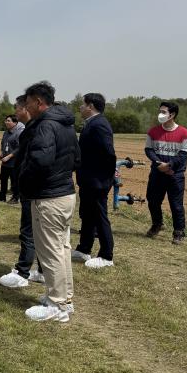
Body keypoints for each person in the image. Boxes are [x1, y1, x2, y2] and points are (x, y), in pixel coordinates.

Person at [19, 81, 80, 322]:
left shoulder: (45, 126)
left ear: (38, 102)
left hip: (49, 197)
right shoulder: (66, 124)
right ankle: (65, 299)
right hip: (65, 193)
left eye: (28, 103)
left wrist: (24, 178)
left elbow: (40, 161)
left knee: (50, 251)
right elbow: (77, 159)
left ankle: (57, 306)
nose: (26, 107)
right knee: (62, 248)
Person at [0, 95, 44, 288]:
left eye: (17, 108)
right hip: (36, 189)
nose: (15, 112)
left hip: (34, 190)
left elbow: (37, 160)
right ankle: (41, 271)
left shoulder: (34, 130)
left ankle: (22, 272)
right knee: (39, 233)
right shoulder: (36, 128)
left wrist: (25, 179)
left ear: (27, 108)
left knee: (29, 232)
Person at [71, 93, 117, 269]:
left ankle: (106, 255)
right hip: (88, 179)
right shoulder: (91, 123)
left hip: (98, 180)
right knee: (87, 214)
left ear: (90, 106)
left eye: (83, 104)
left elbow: (109, 153)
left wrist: (106, 178)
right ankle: (84, 248)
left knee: (99, 216)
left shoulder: (99, 125)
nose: (80, 107)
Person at [145, 101, 187, 244]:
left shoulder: (184, 133)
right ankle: (157, 224)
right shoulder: (153, 132)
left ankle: (179, 232)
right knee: (153, 201)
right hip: (157, 173)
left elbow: (183, 154)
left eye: (163, 112)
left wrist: (169, 165)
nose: (160, 114)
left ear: (172, 114)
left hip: (175, 175)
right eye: (160, 111)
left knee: (176, 205)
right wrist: (159, 164)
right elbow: (148, 150)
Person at [0, 114, 24, 202]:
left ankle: (15, 197)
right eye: (6, 120)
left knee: (14, 181)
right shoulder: (6, 133)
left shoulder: (19, 133)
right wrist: (1, 153)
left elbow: (19, 148)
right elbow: (3, 144)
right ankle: (2, 196)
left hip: (14, 162)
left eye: (8, 121)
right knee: (3, 179)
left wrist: (9, 156)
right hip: (5, 162)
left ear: (15, 123)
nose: (6, 122)